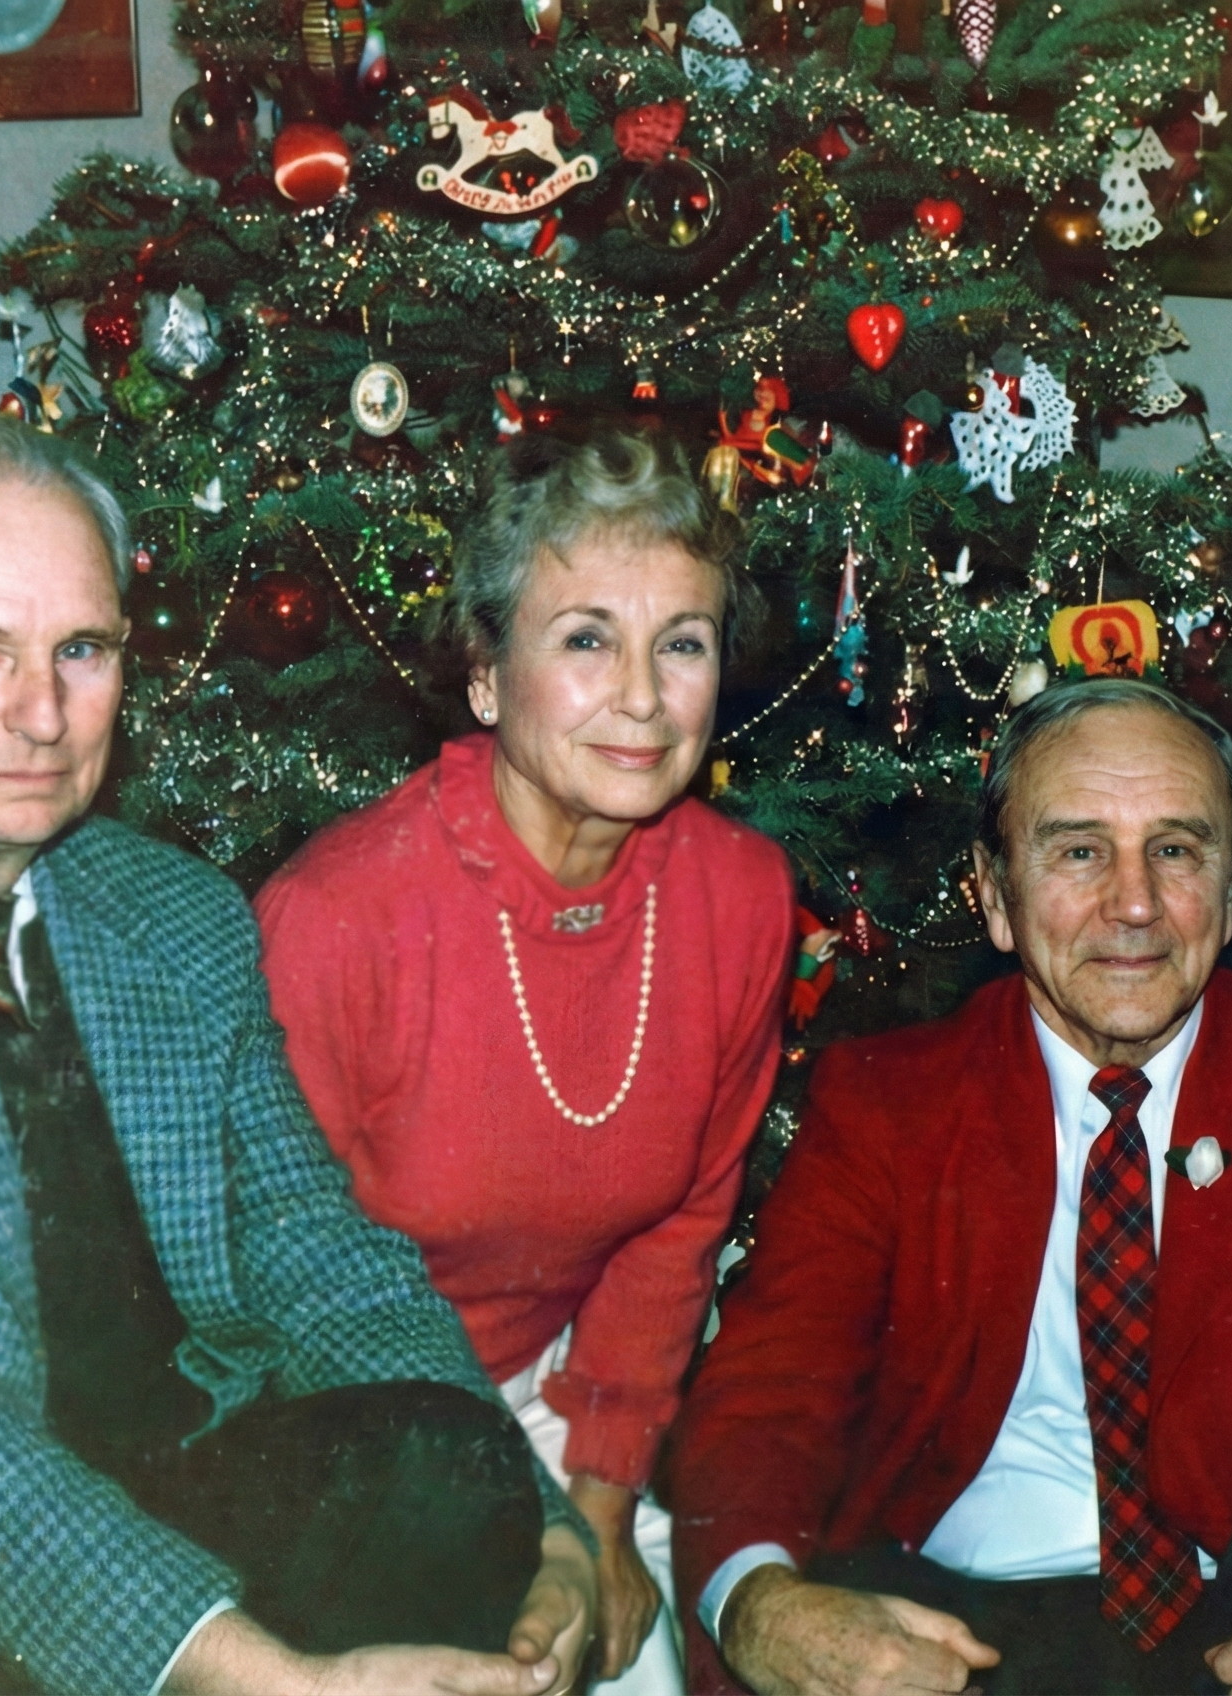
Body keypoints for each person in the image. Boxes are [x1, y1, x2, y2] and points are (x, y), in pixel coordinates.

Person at [0, 412, 598, 1696]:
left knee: (450, 1468)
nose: (42, 713)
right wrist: (254, 1670)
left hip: (170, 1485)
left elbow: (320, 1257)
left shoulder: (172, 914)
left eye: (83, 650)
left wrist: (547, 1532)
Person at [664, 678, 1232, 1696]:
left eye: (1177, 851)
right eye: (1080, 850)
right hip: (964, 1630)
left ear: (1230, 895)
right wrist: (758, 1602)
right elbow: (762, 1395)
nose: (1135, 904)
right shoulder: (887, 1105)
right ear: (997, 898)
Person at [257, 430, 795, 1696]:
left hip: (569, 1396)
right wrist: (498, 1520)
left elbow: (683, 1225)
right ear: (489, 675)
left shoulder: (741, 893)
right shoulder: (341, 915)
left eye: (684, 642)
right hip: (356, 1407)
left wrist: (597, 1513)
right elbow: (270, 1292)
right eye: (587, 639)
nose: (645, 698)